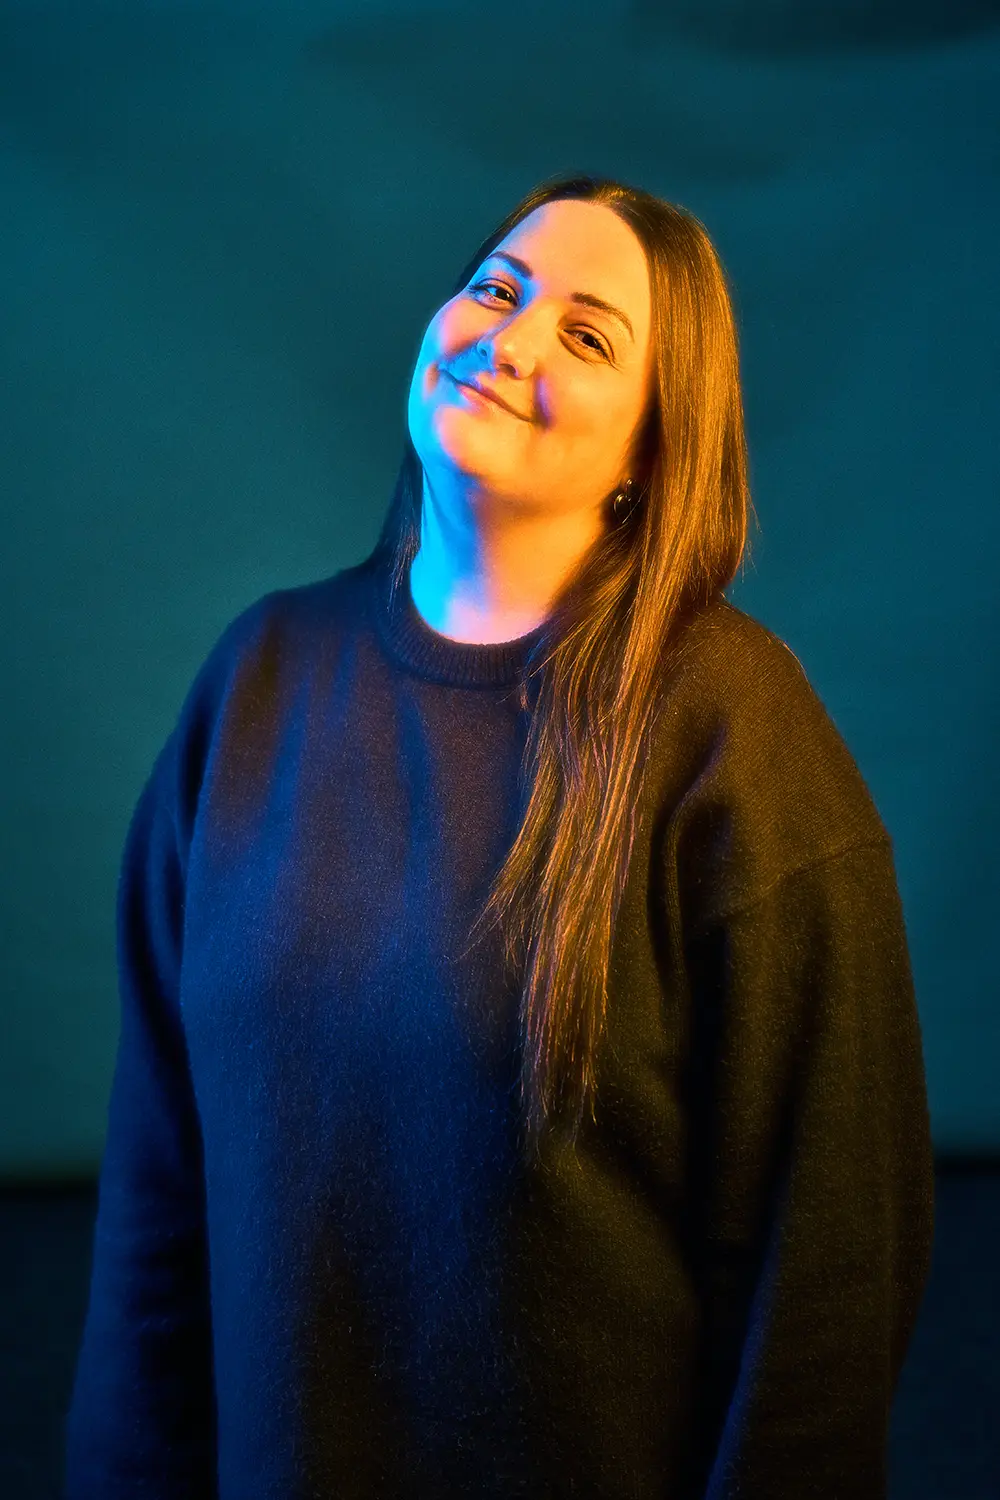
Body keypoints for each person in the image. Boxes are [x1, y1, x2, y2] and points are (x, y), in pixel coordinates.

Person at [62, 173, 935, 1499]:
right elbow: (157, 1200)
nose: (509, 339)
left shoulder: (734, 735)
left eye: (588, 336)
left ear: (655, 447)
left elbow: (829, 1272)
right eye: (496, 288)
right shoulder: (259, 682)